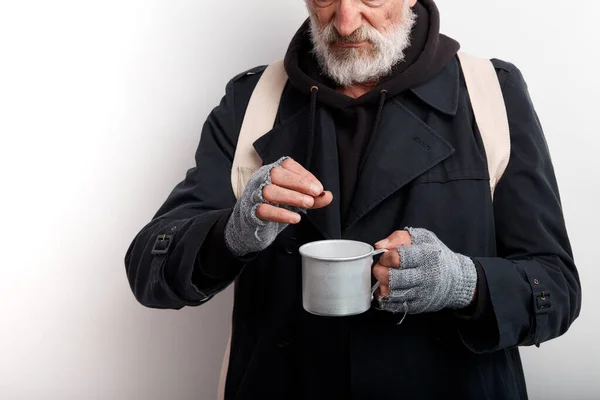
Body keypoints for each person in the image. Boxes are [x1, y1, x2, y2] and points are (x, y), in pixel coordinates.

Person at [124, 0, 581, 398]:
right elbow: (148, 270)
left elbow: (556, 288)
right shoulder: (251, 100)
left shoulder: (491, 94)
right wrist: (232, 233)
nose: (344, 22)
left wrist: (463, 283)